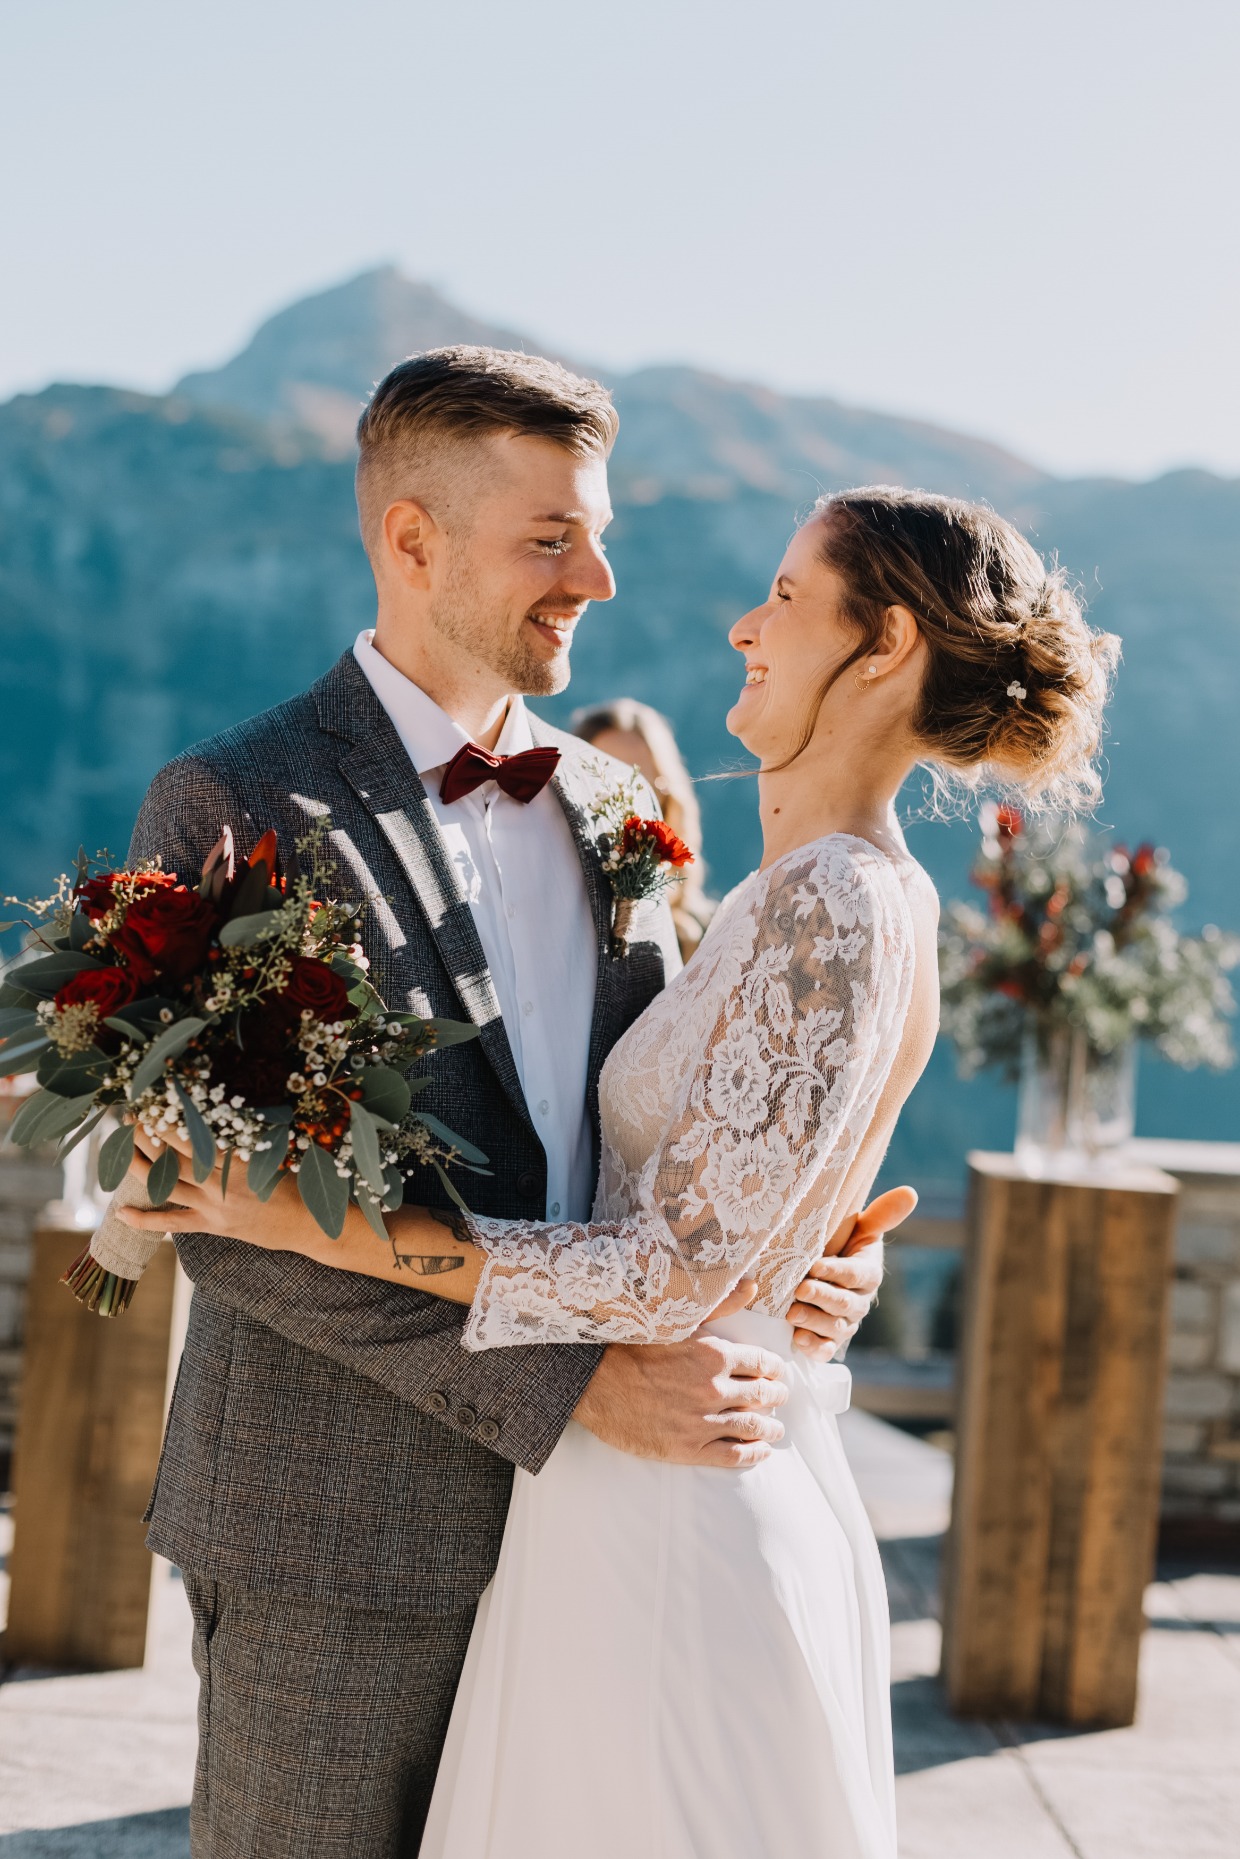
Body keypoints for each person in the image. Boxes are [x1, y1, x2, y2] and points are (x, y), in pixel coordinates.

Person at [129, 482, 1118, 1856]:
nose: (735, 623)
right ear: (414, 532)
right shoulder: (790, 879)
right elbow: (739, 1143)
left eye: (783, 596)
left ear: (885, 644)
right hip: (412, 1510)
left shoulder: (803, 883)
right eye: (549, 533)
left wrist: (317, 1217)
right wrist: (805, 1243)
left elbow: (669, 1261)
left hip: (672, 1494)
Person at [572, 697, 716, 959]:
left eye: (635, 783)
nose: (621, 800)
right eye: (602, 780)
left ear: (665, 795)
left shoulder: (715, 935)